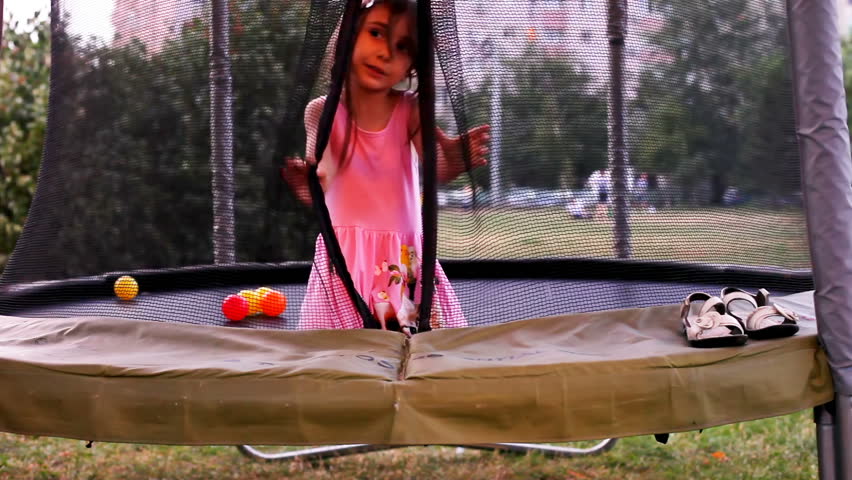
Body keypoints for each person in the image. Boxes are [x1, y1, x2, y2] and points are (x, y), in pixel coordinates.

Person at [282, 0, 490, 335]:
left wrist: (449, 163)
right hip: (345, 256)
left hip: (400, 258)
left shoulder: (408, 110)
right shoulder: (321, 111)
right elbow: (322, 176)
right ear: (348, 37)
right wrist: (308, 185)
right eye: (376, 33)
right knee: (340, 348)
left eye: (402, 46)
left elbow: (433, 168)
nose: (385, 53)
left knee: (411, 345)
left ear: (412, 64)